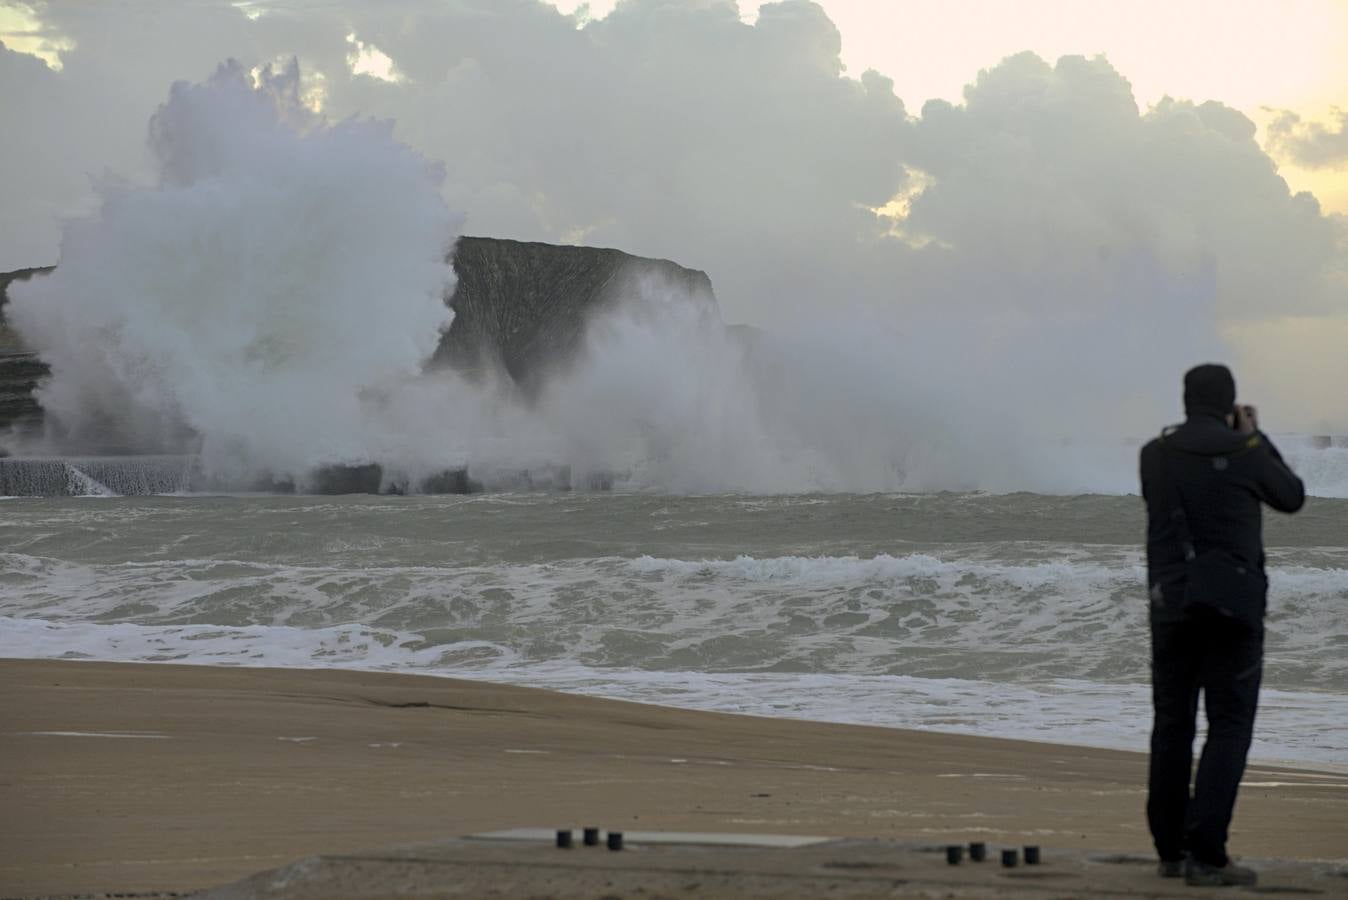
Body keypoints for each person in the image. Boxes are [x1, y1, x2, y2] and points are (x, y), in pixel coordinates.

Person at [1139, 363, 1305, 887]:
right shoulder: (1246, 451)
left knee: (1173, 726)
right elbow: (1291, 497)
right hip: (1234, 608)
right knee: (1228, 724)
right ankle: (1207, 856)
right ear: (1230, 404)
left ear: (1185, 400)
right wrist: (1255, 436)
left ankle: (1170, 851)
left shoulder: (1155, 454)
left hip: (1172, 605)